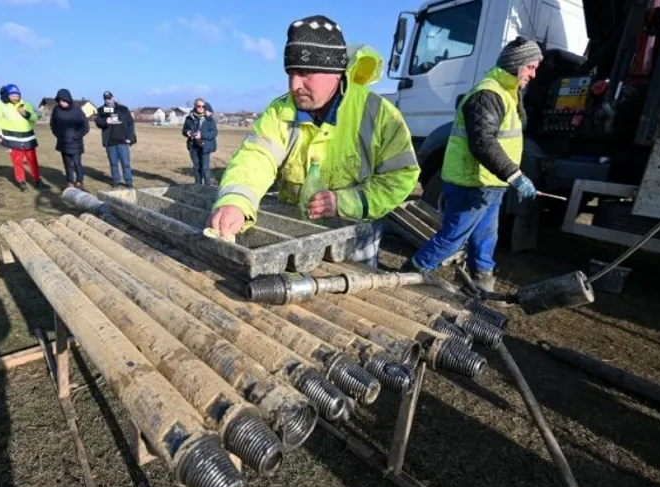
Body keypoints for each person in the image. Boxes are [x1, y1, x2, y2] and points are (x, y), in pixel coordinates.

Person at [207, 15, 419, 267]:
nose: (295, 85)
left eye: (305, 73)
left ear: (336, 72)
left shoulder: (377, 113)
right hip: (295, 235)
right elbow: (255, 158)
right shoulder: (279, 111)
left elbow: (401, 175)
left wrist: (345, 202)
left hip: (355, 239)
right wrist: (236, 202)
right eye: (291, 73)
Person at [405, 37, 542, 292]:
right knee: (451, 240)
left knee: (485, 239)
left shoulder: (505, 93)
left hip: (490, 184)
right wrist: (515, 175)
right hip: (471, 183)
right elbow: (483, 143)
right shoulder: (488, 94)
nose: (533, 75)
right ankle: (407, 276)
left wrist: (508, 178)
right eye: (531, 67)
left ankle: (480, 285)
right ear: (515, 64)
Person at [0, 84, 44, 191]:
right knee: (17, 161)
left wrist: (26, 114)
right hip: (12, 137)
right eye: (12, 95)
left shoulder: (26, 104)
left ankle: (37, 180)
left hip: (28, 137)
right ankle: (21, 182)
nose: (15, 97)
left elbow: (35, 117)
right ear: (7, 95)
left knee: (33, 160)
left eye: (17, 95)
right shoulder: (0, 104)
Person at [49, 88, 90, 189]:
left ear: (68, 99)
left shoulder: (77, 110)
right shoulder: (56, 110)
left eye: (63, 100)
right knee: (67, 164)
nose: (61, 103)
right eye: (59, 101)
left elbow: (85, 127)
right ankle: (70, 181)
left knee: (77, 163)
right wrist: (58, 134)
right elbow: (53, 124)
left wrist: (76, 136)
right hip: (63, 142)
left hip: (76, 143)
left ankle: (79, 181)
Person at [95, 90, 137, 189]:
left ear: (113, 98)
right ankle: (115, 181)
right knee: (113, 163)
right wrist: (106, 121)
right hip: (110, 141)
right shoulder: (102, 110)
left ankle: (128, 181)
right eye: (106, 99)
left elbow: (131, 123)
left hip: (123, 141)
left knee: (125, 163)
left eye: (109, 98)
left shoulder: (123, 109)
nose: (108, 101)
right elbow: (98, 122)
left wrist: (130, 138)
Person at [182, 97, 218, 185]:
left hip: (205, 146)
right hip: (193, 146)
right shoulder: (189, 118)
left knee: (205, 168)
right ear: (195, 106)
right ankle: (198, 187)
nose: (201, 108)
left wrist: (202, 135)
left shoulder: (209, 119)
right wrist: (188, 132)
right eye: (198, 106)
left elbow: (214, 133)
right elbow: (184, 130)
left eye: (203, 106)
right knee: (196, 168)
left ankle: (208, 188)